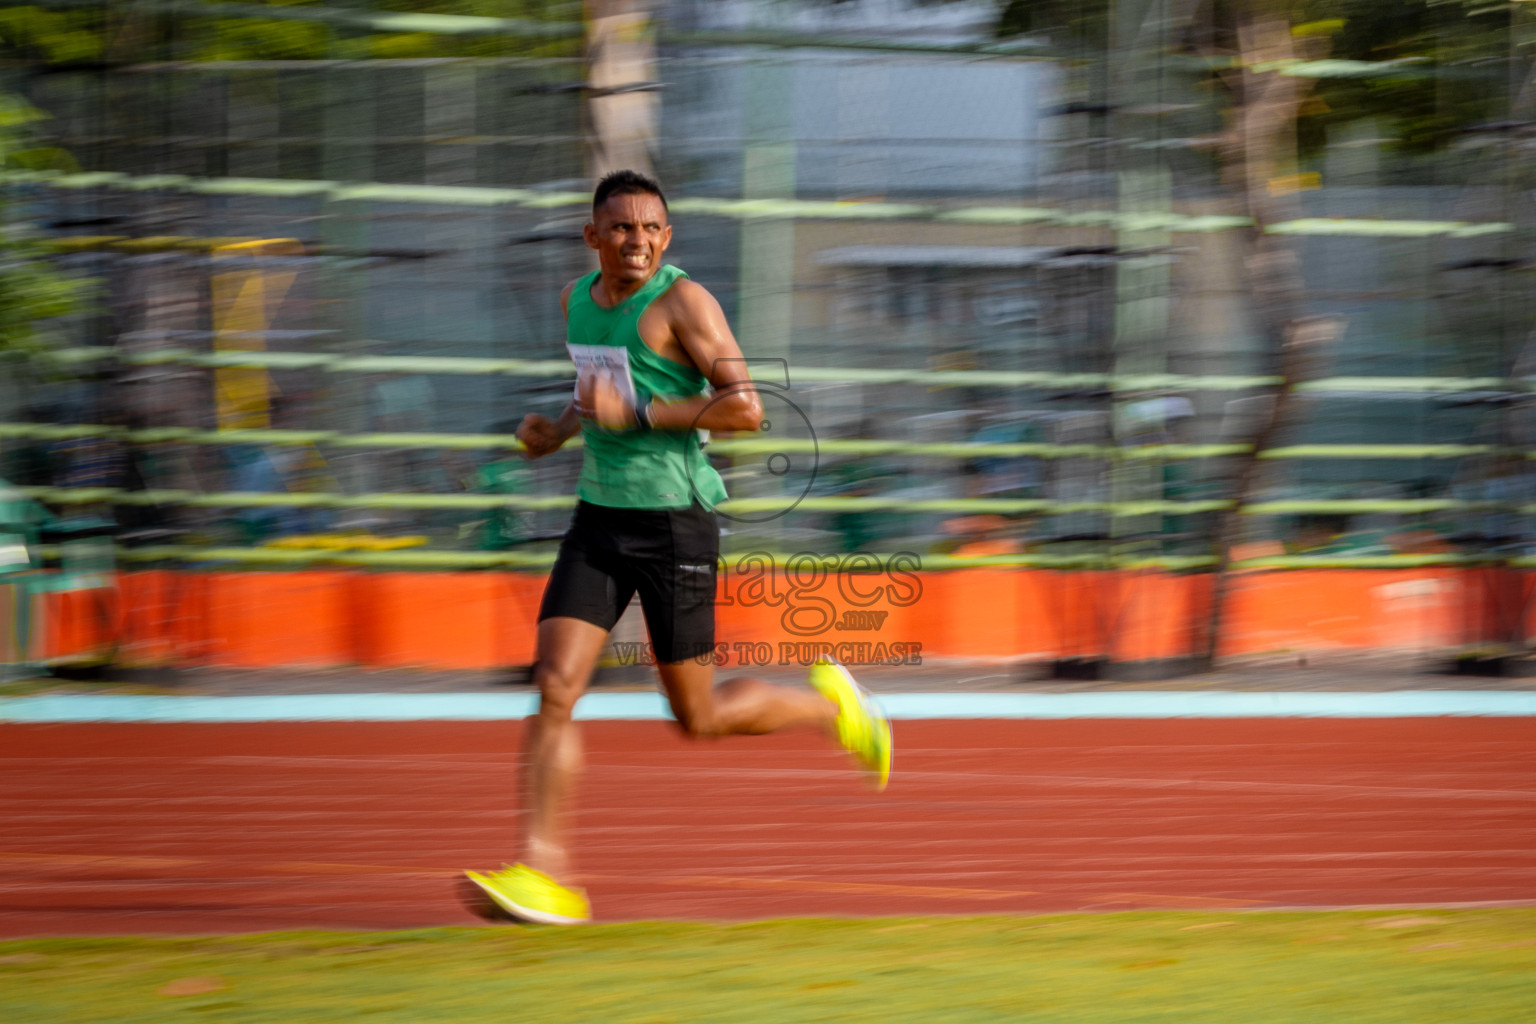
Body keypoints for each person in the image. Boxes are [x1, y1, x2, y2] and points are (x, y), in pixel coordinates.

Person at [466, 170, 891, 926]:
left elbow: (748, 410)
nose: (637, 241)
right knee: (556, 686)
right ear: (592, 236)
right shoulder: (577, 300)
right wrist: (556, 434)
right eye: (622, 228)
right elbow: (591, 386)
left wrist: (635, 412)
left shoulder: (683, 302)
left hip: (674, 524)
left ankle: (835, 713)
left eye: (651, 229)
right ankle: (544, 874)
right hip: (597, 519)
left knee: (697, 719)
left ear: (668, 237)